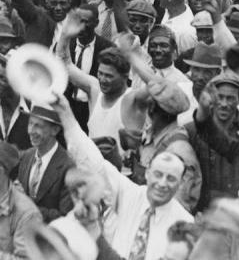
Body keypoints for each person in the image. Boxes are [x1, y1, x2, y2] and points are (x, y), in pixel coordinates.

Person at [55, 94, 193, 260]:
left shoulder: (185, 224)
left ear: (179, 184)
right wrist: (65, 114)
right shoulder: (130, 194)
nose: (162, 183)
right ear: (148, 174)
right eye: (158, 174)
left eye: (171, 178)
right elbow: (93, 162)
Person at [17, 105, 75, 221]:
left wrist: (26, 203)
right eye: (30, 124)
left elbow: (65, 217)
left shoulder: (69, 166)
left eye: (37, 126)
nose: (30, 131)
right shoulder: (27, 156)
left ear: (55, 130)